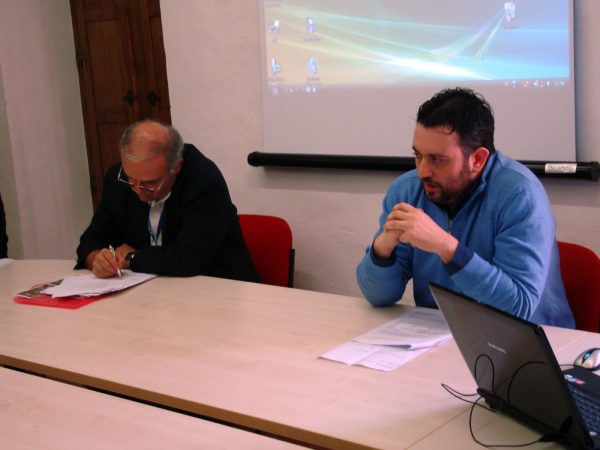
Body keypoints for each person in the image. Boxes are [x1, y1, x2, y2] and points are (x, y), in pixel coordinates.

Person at [356, 87, 574, 328]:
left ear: (477, 160)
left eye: (437, 159)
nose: (423, 171)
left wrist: (446, 246)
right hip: (441, 334)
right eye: (418, 155)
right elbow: (378, 296)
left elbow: (518, 306)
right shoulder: (407, 191)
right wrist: (382, 248)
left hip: (530, 340)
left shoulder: (520, 194)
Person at [76, 119, 258, 282]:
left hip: (216, 289)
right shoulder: (118, 179)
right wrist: (98, 259)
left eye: (150, 183)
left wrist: (132, 257)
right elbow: (90, 241)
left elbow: (187, 260)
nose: (137, 190)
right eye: (130, 179)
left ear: (176, 166)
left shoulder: (204, 181)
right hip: (149, 293)